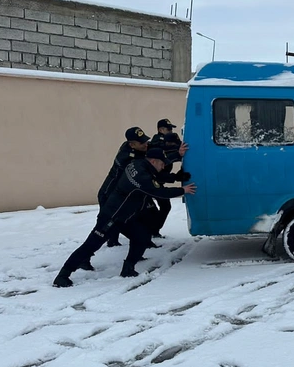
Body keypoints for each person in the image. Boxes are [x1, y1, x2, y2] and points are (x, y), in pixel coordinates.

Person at [53, 148, 196, 287]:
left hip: (125, 217)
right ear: (153, 161)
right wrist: (182, 190)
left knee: (142, 237)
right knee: (90, 245)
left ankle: (128, 269)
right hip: (111, 217)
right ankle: (63, 275)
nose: (164, 166)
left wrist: (176, 176)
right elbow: (158, 191)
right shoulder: (141, 176)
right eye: (162, 163)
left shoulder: (139, 164)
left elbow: (156, 176)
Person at [98, 127, 151, 247]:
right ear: (132, 144)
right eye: (142, 143)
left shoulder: (131, 147)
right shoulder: (128, 158)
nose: (146, 144)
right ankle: (84, 258)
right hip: (108, 194)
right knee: (103, 228)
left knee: (122, 222)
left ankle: (117, 241)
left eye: (145, 141)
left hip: (119, 194)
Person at [148, 119, 189, 237]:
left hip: (157, 180)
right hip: (149, 182)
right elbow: (166, 153)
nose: (171, 131)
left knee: (164, 206)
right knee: (147, 210)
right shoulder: (158, 142)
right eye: (168, 129)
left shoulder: (169, 143)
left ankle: (153, 231)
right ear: (161, 130)